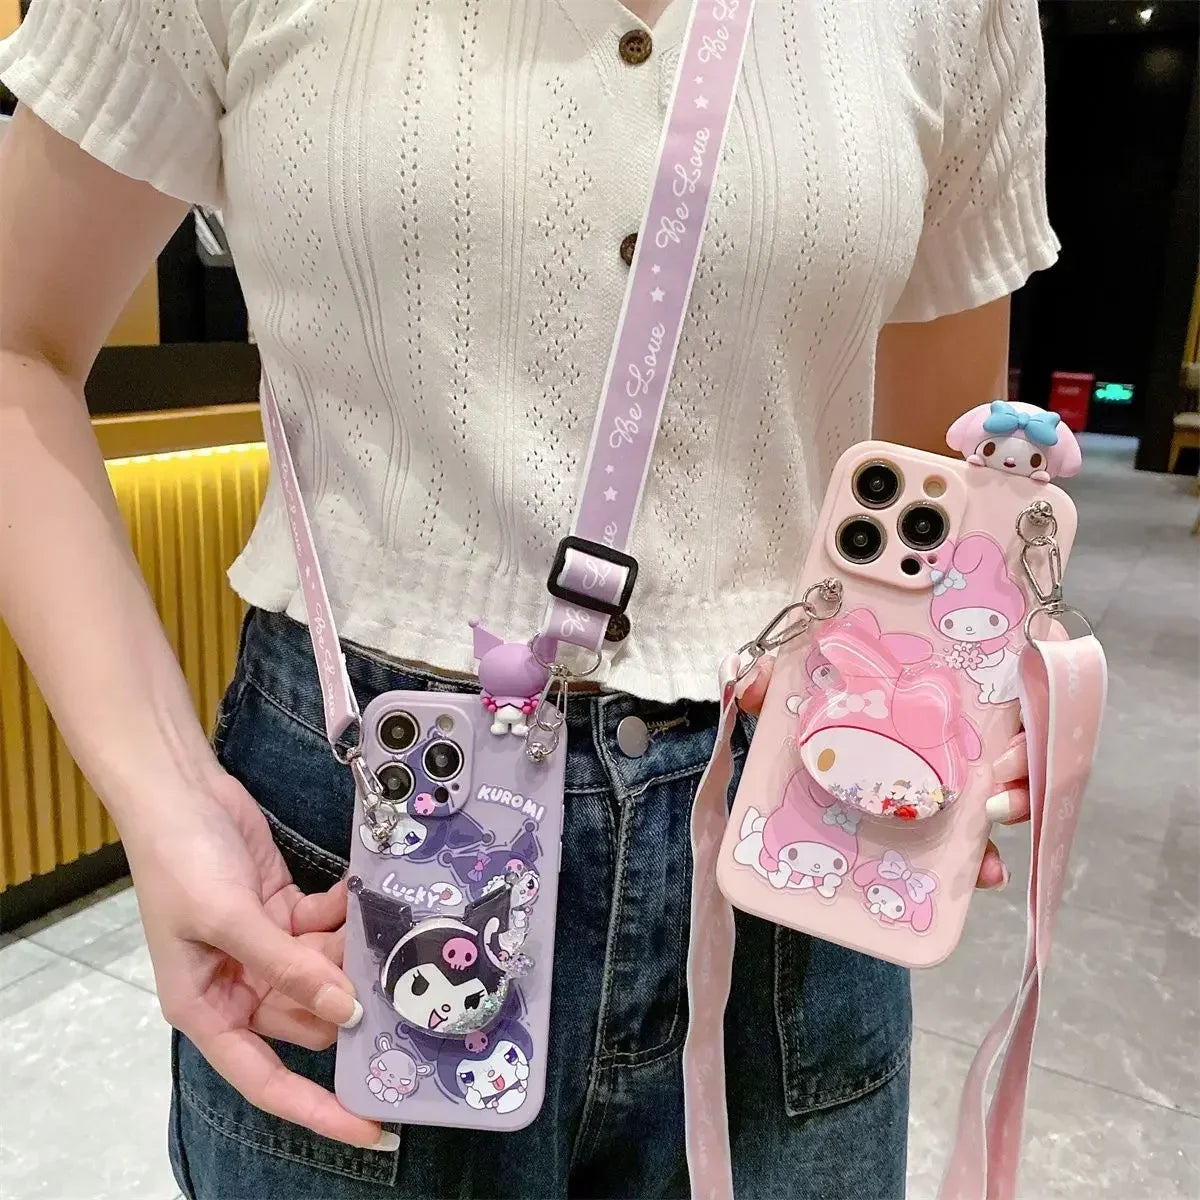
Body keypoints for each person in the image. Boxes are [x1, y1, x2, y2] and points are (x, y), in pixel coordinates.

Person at [0, 1, 1048, 1196]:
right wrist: (164, 797)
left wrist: (955, 696)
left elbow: (944, 476)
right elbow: (16, 341)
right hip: (361, 815)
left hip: (792, 826)